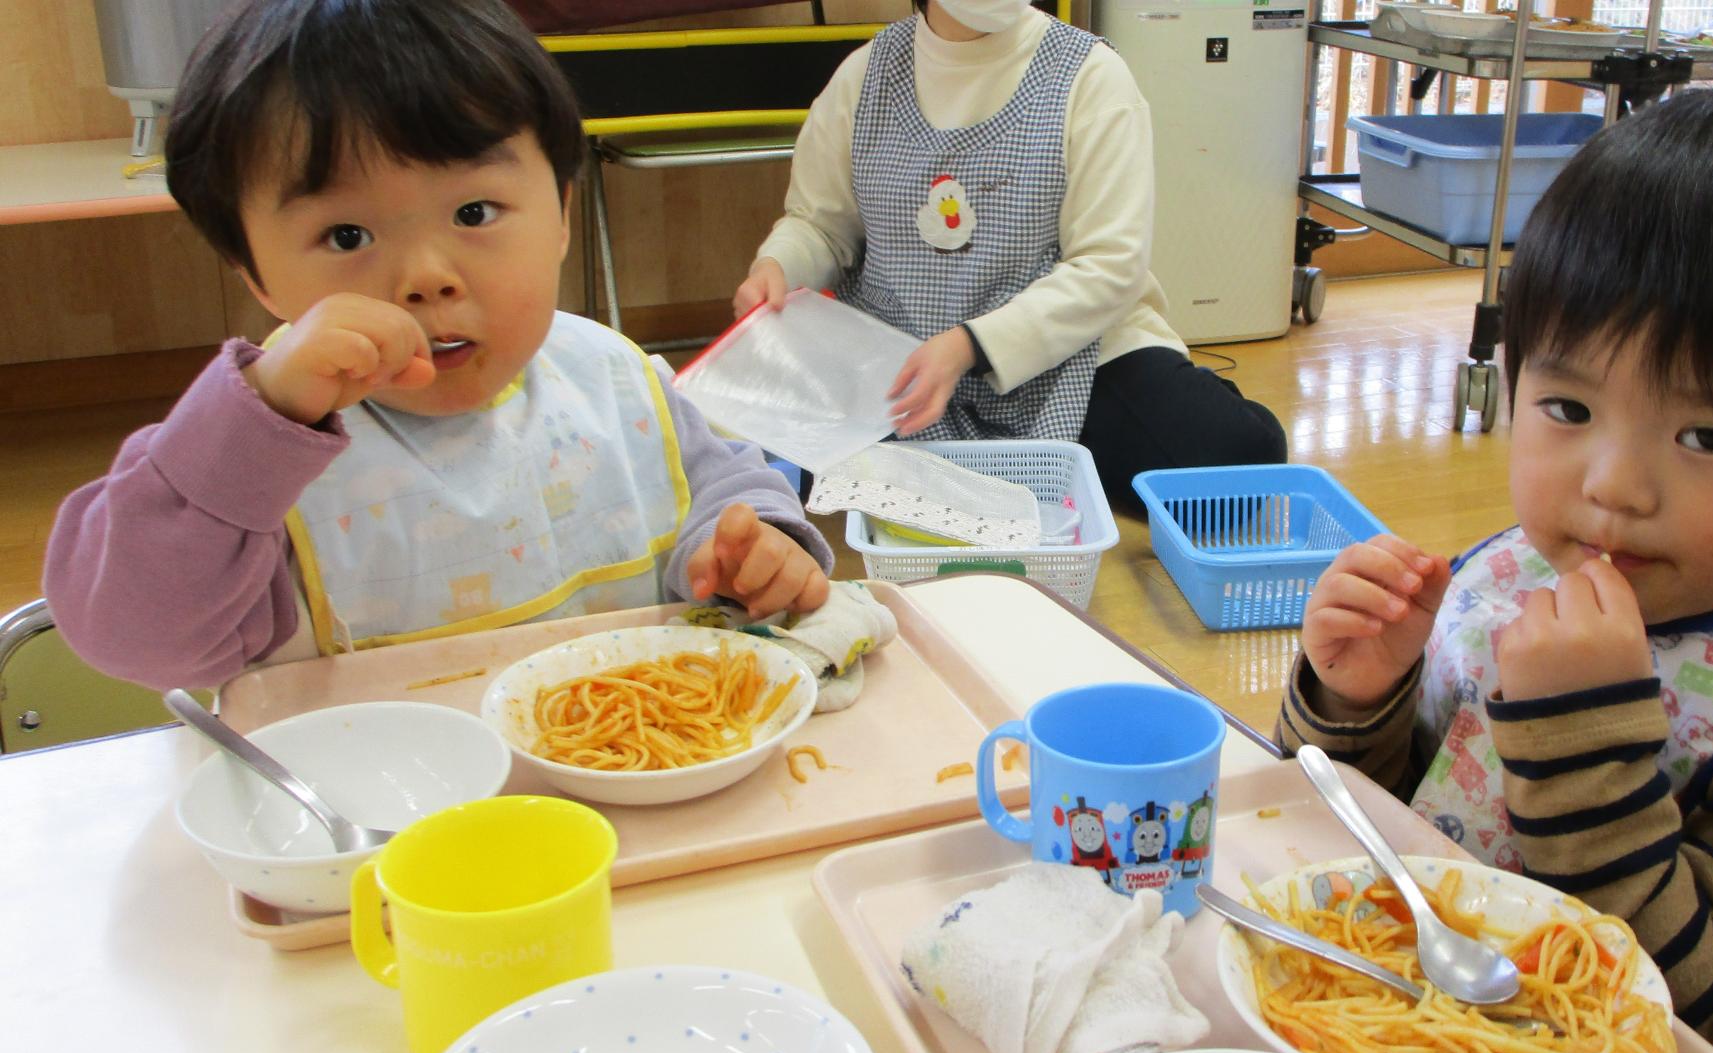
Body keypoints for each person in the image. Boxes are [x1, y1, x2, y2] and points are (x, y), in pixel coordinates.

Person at [1277, 90, 1713, 1053]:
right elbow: (1349, 838)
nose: (1611, 486)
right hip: (1402, 1047)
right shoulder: (1508, 580)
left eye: (1706, 437)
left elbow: (1710, 1032)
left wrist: (1581, 738)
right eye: (1567, 406)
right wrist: (1352, 702)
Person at [44, 0, 832, 691]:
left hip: (622, 805)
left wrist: (751, 546)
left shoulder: (611, 376)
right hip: (375, 836)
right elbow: (129, 635)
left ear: (560, 213)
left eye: (476, 213)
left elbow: (722, 482)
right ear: (255, 275)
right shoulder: (246, 453)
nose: (426, 278)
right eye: (346, 234)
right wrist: (261, 411)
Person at [732, 0, 1287, 509]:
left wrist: (969, 345)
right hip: (903, 367)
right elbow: (820, 226)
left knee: (1239, 461)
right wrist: (776, 266)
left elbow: (1109, 267)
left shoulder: (1092, 76)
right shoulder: (864, 78)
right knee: (781, 465)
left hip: (1070, 357)